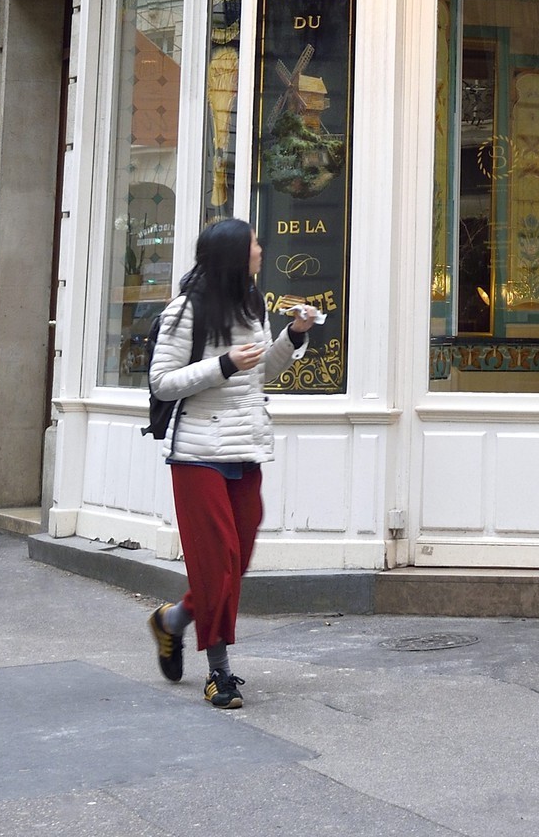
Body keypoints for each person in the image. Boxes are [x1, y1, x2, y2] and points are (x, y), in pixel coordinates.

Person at [145, 218, 321, 709]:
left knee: (236, 561)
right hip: (199, 452)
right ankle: (218, 672)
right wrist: (223, 364)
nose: (261, 250)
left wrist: (293, 334)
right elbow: (162, 382)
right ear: (233, 254)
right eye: (254, 244)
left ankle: (174, 620)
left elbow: (263, 370)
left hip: (244, 448)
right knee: (217, 561)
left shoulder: (252, 303)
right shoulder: (186, 310)